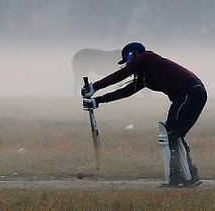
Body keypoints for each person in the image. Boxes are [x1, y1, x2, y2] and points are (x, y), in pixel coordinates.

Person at [82, 42, 206, 187]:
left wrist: (94, 86)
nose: (128, 66)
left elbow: (121, 75)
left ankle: (177, 178)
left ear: (133, 55)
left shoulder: (146, 58)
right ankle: (190, 177)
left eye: (128, 62)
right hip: (193, 93)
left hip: (189, 92)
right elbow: (126, 91)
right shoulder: (147, 75)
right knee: (175, 134)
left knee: (171, 133)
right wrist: (98, 101)